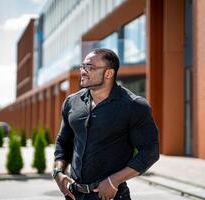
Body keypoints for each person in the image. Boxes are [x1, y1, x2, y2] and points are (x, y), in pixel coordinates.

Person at [53, 48, 159, 200]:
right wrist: (58, 172)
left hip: (110, 195)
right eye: (83, 66)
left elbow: (150, 152)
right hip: (73, 194)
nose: (83, 71)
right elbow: (63, 141)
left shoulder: (133, 105)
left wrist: (113, 181)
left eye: (90, 67)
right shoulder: (71, 102)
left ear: (109, 73)